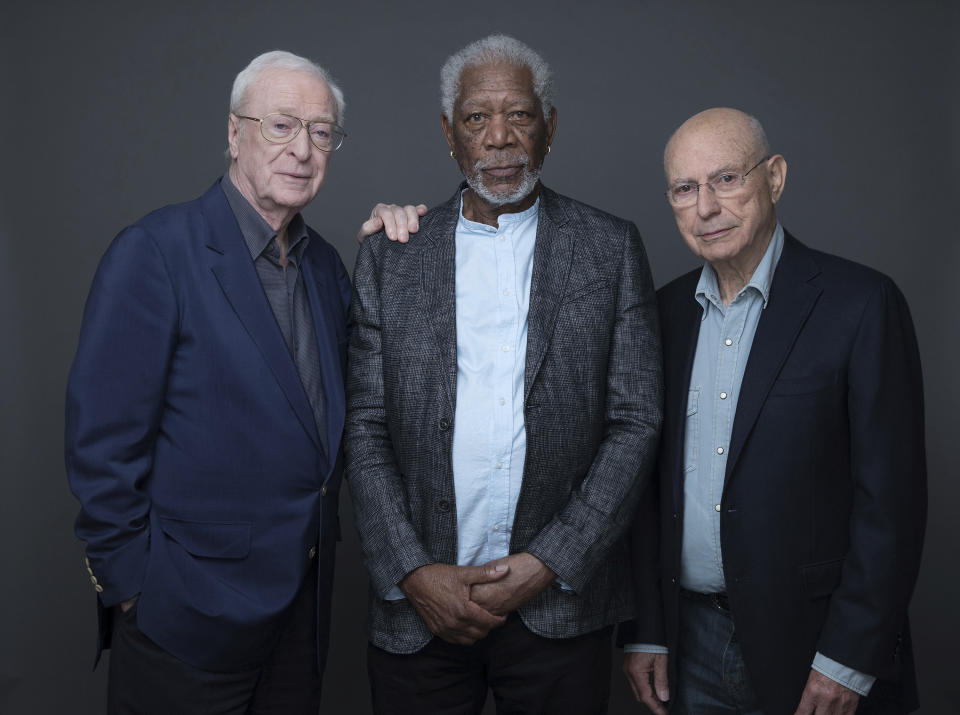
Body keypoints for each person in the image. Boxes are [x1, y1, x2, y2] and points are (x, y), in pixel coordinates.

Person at [345, 34, 663, 713]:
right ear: (449, 133)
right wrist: (412, 569)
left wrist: (550, 561)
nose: (498, 137)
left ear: (549, 128)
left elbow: (635, 420)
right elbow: (365, 428)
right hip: (418, 610)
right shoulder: (392, 257)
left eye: (518, 115)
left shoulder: (609, 249)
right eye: (475, 118)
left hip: (560, 609)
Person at [65, 50, 352, 714]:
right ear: (233, 132)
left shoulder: (327, 268)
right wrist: (134, 589)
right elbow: (101, 446)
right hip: (183, 622)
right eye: (281, 125)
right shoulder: (157, 251)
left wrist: (406, 244)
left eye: (321, 131)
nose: (303, 149)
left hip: (299, 621)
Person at [620, 108, 926, 715]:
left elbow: (892, 504)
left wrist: (849, 658)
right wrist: (647, 628)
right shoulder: (662, 315)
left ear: (775, 178)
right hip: (689, 647)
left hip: (816, 651)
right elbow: (646, 492)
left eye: (727, 178)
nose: (706, 206)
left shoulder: (861, 304)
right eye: (685, 188)